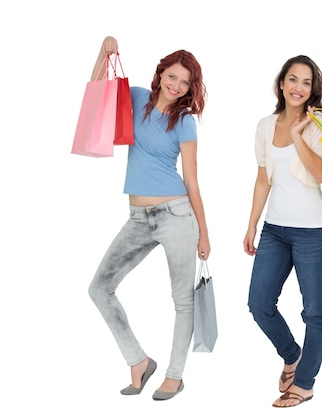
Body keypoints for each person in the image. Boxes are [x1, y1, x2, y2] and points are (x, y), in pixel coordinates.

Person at [87, 36, 211, 401]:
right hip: (138, 217)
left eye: (185, 82)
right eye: (173, 76)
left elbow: (192, 180)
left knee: (182, 300)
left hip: (176, 214)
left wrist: (204, 232)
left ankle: (175, 376)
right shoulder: (137, 97)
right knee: (99, 288)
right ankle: (139, 361)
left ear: (190, 88)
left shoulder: (185, 123)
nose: (177, 86)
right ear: (161, 74)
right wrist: (103, 52)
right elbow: (96, 93)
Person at [243, 55, 322, 408]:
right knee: (259, 303)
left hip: (314, 233)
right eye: (293, 79)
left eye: (306, 82)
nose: (299, 87)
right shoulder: (265, 125)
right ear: (281, 83)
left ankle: (305, 383)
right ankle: (291, 355)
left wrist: (299, 134)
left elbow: (320, 175)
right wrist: (251, 224)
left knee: (315, 313)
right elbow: (263, 178)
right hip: (275, 231)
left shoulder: (320, 122)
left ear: (313, 89)